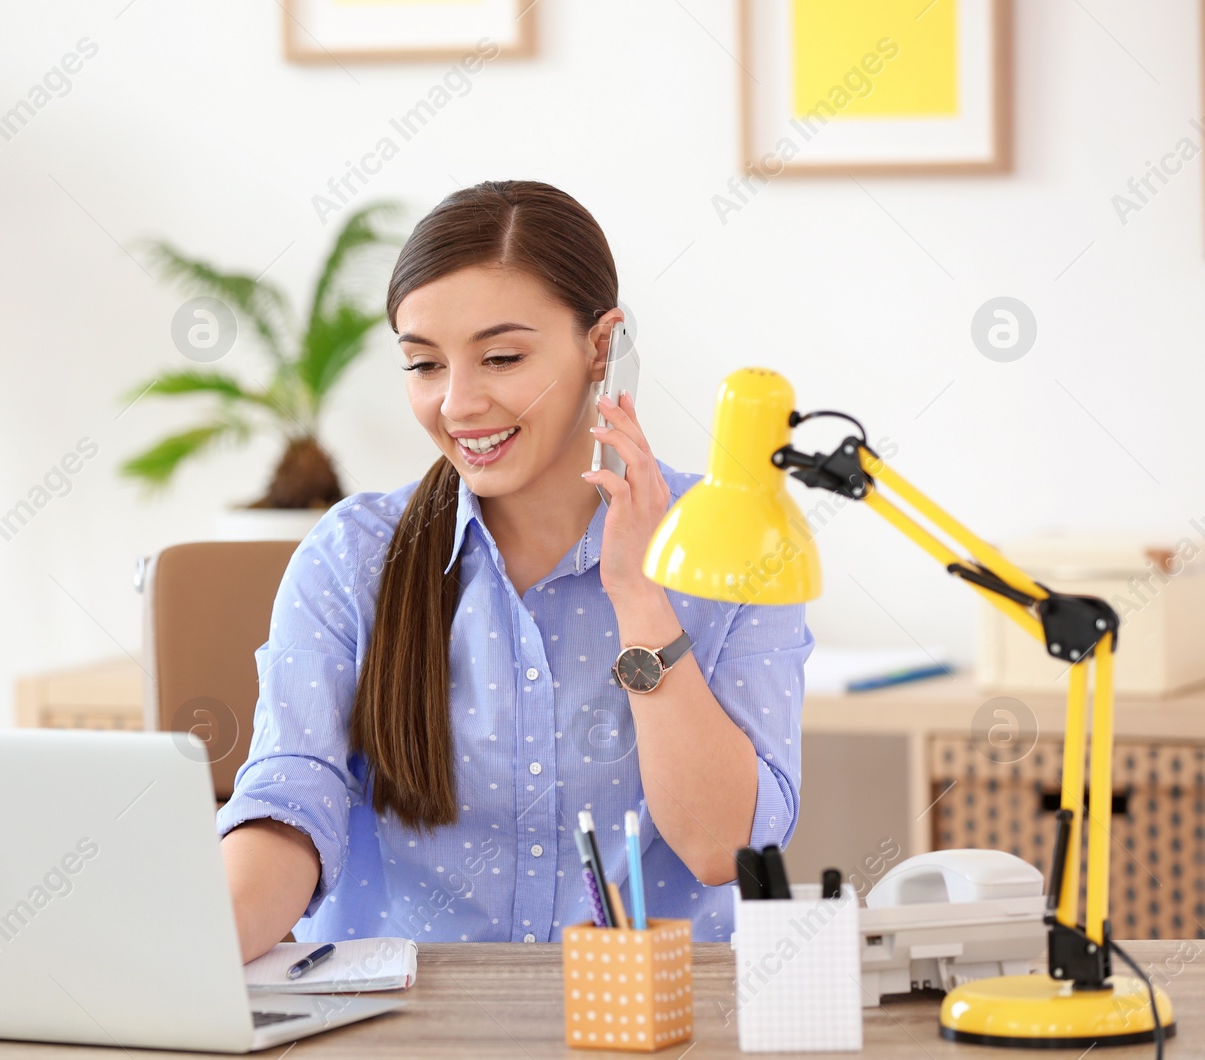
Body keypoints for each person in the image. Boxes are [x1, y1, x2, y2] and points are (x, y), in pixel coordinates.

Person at [217, 179, 813, 962]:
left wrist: (638, 595)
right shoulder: (351, 555)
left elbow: (721, 847)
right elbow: (291, 801)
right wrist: (194, 956)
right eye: (425, 365)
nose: (458, 404)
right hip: (404, 1029)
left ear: (604, 349)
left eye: (502, 357)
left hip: (650, 1028)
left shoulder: (732, 545)